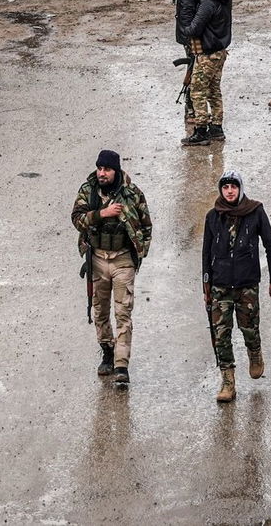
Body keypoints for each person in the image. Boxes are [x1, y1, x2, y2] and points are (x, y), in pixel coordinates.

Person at [70, 149, 152, 388]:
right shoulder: (88, 190)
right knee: (100, 310)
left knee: (123, 312)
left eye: (106, 169)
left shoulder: (131, 193)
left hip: (122, 260)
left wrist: (140, 253)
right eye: (100, 168)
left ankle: (121, 365)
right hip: (96, 259)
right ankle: (107, 350)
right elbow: (77, 219)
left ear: (115, 171)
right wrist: (101, 214)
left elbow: (147, 225)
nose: (102, 173)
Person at [202, 170, 271, 403]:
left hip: (247, 284)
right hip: (220, 285)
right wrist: (206, 285)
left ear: (240, 189)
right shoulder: (212, 216)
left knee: (249, 328)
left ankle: (255, 352)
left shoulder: (255, 211)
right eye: (225, 187)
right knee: (221, 335)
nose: (229, 191)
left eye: (233, 187)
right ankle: (228, 382)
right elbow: (206, 253)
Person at [182, 0, 232, 147]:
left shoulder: (206, 4)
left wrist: (185, 26)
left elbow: (194, 28)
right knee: (214, 89)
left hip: (207, 54)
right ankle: (217, 128)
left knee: (197, 90)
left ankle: (201, 130)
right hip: (220, 52)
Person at [173, 0, 223, 136]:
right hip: (193, 35)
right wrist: (191, 35)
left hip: (201, 34)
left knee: (202, 78)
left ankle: (200, 114)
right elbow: (186, 14)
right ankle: (192, 110)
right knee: (195, 75)